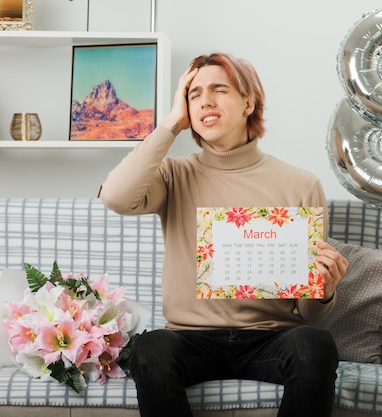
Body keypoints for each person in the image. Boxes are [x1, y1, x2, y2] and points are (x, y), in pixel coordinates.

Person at [99, 52, 349, 417]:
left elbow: (308, 315)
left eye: (219, 90)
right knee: (151, 347)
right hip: (190, 340)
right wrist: (171, 123)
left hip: (272, 339)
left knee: (315, 343)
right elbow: (115, 197)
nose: (205, 102)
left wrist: (325, 291)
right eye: (194, 94)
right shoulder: (172, 176)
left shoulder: (301, 184)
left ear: (249, 102)